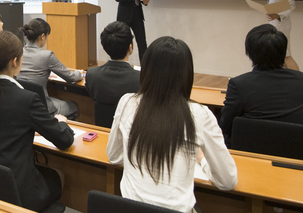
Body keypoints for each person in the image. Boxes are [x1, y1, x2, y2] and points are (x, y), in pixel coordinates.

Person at [106, 36, 237, 212]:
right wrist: (202, 160)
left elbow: (114, 156)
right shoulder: (200, 114)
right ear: (187, 74)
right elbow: (227, 181)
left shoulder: (127, 102)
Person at [0, 31, 74, 212]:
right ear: (14, 61)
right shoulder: (26, 99)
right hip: (19, 189)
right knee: (58, 175)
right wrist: (61, 122)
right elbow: (64, 141)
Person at [219, 24, 303, 145]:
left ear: (250, 53)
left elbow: (225, 126)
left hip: (249, 154)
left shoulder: (239, 84)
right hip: (295, 154)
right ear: (283, 52)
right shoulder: (301, 80)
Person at [18, 18, 82, 119]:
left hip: (22, 106)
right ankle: (56, 128)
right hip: (41, 108)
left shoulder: (18, 52)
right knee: (73, 106)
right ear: (43, 36)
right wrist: (80, 73)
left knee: (55, 99)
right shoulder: (46, 55)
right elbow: (71, 78)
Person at [85, 21, 140, 127]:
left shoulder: (92, 74)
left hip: (102, 129)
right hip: (130, 133)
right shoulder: (140, 78)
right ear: (130, 47)